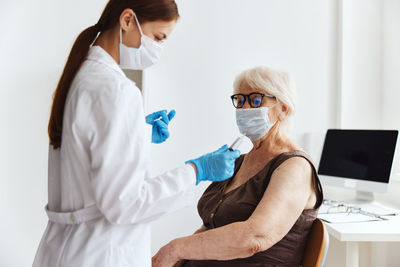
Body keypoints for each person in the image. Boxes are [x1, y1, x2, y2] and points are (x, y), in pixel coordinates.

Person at [32, 1, 240, 266]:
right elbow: (125, 204)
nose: (158, 49)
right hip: (99, 252)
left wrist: (136, 132)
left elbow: (85, 149)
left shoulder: (82, 75)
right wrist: (197, 171)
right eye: (158, 37)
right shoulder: (117, 91)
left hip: (65, 249)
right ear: (127, 20)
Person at [152, 66, 324, 267]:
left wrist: (175, 249)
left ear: (283, 109)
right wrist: (178, 260)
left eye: (256, 100)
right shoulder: (240, 161)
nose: (244, 108)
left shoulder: (295, 167)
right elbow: (211, 227)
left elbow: (255, 237)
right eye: (240, 101)